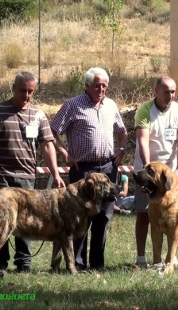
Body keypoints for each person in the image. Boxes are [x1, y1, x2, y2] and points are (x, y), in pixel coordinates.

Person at [0, 71, 65, 273]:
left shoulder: (38, 115)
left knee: (27, 223)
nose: (26, 95)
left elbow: (47, 145)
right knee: (0, 223)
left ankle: (23, 264)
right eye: (23, 91)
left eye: (30, 92)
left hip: (27, 178)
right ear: (13, 88)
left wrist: (56, 173)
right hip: (1, 177)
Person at [50, 67, 128, 271]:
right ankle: (77, 264)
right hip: (83, 170)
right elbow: (52, 130)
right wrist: (64, 153)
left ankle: (97, 264)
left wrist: (121, 149)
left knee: (103, 218)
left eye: (104, 86)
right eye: (97, 85)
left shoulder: (111, 105)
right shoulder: (73, 105)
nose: (101, 89)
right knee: (80, 218)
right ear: (87, 86)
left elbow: (122, 132)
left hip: (108, 169)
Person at [133, 76, 178, 268]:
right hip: (147, 170)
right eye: (166, 92)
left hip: (170, 174)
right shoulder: (145, 110)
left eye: (173, 92)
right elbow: (143, 140)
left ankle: (170, 257)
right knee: (143, 215)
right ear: (156, 91)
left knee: (172, 218)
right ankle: (141, 259)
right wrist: (148, 170)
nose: (171, 96)